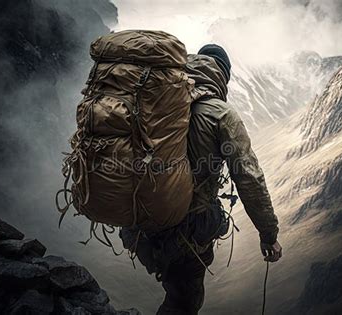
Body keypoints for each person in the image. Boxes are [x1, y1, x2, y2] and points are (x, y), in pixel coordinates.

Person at [120, 44, 282, 315]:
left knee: (177, 294)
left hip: (139, 223)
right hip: (187, 232)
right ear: (223, 77)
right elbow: (249, 177)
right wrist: (268, 234)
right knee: (185, 301)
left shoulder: (156, 101)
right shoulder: (221, 114)